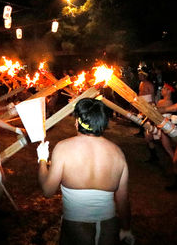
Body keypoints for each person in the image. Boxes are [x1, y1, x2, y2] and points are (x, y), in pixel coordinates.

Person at [37, 98, 134, 245]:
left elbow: (47, 190)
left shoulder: (63, 148)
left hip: (76, 228)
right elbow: (122, 200)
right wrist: (126, 228)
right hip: (108, 228)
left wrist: (42, 160)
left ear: (77, 121)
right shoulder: (118, 153)